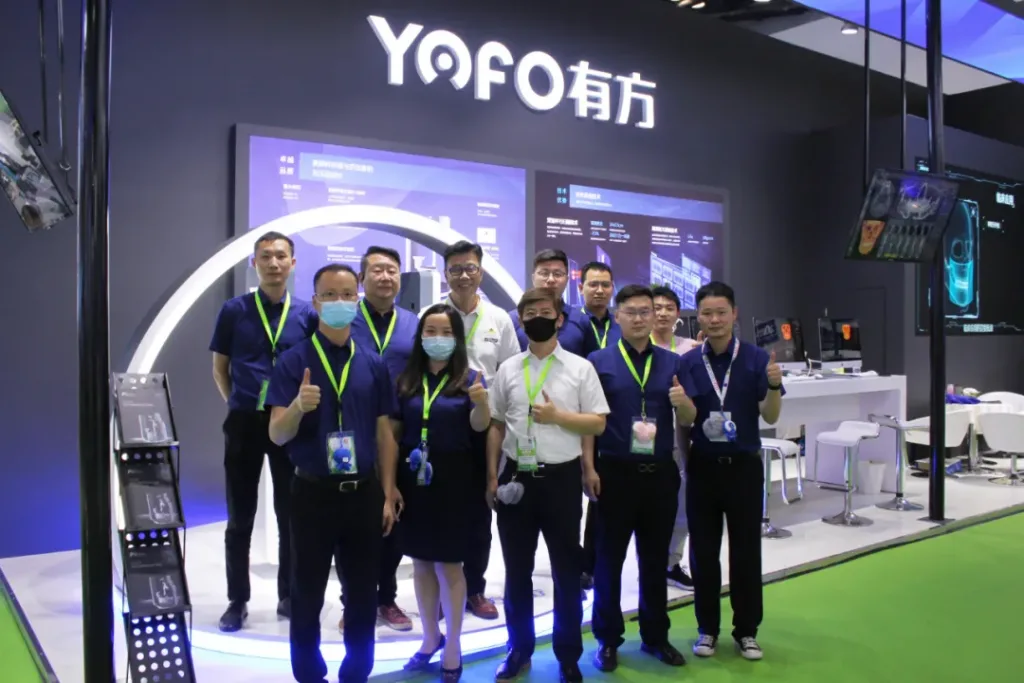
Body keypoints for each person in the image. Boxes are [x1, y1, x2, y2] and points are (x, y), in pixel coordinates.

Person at [266, 263, 401, 683]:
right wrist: (297, 407)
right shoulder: (293, 361)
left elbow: (384, 432)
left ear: (356, 300)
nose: (339, 302)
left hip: (363, 493)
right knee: (306, 591)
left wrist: (388, 491)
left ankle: (356, 672)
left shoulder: (373, 363)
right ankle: (309, 673)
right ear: (315, 301)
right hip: (312, 494)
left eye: (347, 294)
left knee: (362, 593)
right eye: (330, 295)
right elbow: (276, 433)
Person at [487, 288, 610, 683]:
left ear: (559, 319)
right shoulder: (508, 369)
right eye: (530, 313)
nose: (537, 318)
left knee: (566, 572)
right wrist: (492, 475)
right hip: (515, 479)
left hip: (561, 480)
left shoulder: (580, 368)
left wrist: (559, 419)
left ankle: (568, 655)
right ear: (521, 320)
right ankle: (518, 649)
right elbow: (496, 424)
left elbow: (597, 423)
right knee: (516, 571)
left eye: (545, 311)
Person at [209, 231, 318, 632]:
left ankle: (289, 595)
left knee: (291, 513)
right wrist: (240, 404)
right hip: (244, 421)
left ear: (292, 263)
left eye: (281, 256)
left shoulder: (306, 314)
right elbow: (220, 369)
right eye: (266, 256)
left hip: (289, 421)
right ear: (254, 264)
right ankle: (237, 600)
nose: (274, 263)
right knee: (240, 516)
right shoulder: (233, 311)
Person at [586, 285, 696, 672]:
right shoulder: (598, 361)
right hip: (614, 473)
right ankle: (607, 639)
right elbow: (590, 421)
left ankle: (655, 636)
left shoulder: (673, 362)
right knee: (608, 561)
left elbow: (688, 418)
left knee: (654, 561)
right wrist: (588, 468)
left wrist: (685, 405)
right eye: (630, 311)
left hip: (659, 475)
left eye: (645, 312)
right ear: (617, 316)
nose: (639, 318)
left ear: (655, 317)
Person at [679, 281, 784, 662]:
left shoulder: (756, 359)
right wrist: (686, 461)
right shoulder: (689, 362)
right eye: (707, 313)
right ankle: (707, 629)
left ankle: (747, 631)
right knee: (703, 553)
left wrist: (774, 386)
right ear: (699, 317)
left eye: (721, 312)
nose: (714, 320)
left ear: (734, 314)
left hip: (743, 468)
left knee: (746, 552)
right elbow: (685, 420)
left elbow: (770, 416)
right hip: (704, 469)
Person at [393, 303, 492, 681]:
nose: (438, 339)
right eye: (431, 332)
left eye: (446, 332)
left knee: (450, 564)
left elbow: (480, 426)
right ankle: (429, 637)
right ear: (420, 337)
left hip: (456, 482)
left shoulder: (472, 378)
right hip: (414, 480)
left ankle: (453, 644)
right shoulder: (407, 380)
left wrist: (482, 404)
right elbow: (395, 432)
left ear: (458, 338)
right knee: (420, 562)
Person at [441, 241, 520, 620]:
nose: (463, 275)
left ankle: (474, 589)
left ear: (481, 272)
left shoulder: (499, 319)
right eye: (455, 269)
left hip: (484, 426)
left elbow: (511, 373)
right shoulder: (433, 315)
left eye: (470, 268)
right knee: (441, 510)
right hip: (442, 423)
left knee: (479, 512)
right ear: (446, 274)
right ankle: (443, 590)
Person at [342, 245, 419, 632]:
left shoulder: (413, 323)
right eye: (377, 270)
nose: (385, 277)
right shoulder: (344, 320)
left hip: (400, 436)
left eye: (392, 270)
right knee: (352, 525)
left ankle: (386, 598)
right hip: (352, 436)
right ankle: (353, 601)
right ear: (362, 278)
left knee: (395, 522)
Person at [650, 285, 700, 589]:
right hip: (645, 441)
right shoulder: (638, 347)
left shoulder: (690, 349)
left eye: (669, 308)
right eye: (657, 307)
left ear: (678, 314)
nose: (663, 313)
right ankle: (650, 563)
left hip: (681, 439)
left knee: (682, 506)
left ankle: (672, 562)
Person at [577, 262, 619, 590]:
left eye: (605, 284)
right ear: (581, 288)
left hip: (612, 418)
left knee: (600, 495)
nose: (600, 290)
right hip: (573, 415)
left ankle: (590, 564)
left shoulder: (621, 324)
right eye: (593, 284)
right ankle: (572, 561)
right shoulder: (572, 324)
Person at [508, 249, 586, 355]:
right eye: (544, 273)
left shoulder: (582, 320)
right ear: (533, 278)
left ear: (567, 280)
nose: (551, 280)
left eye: (557, 274)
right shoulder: (511, 320)